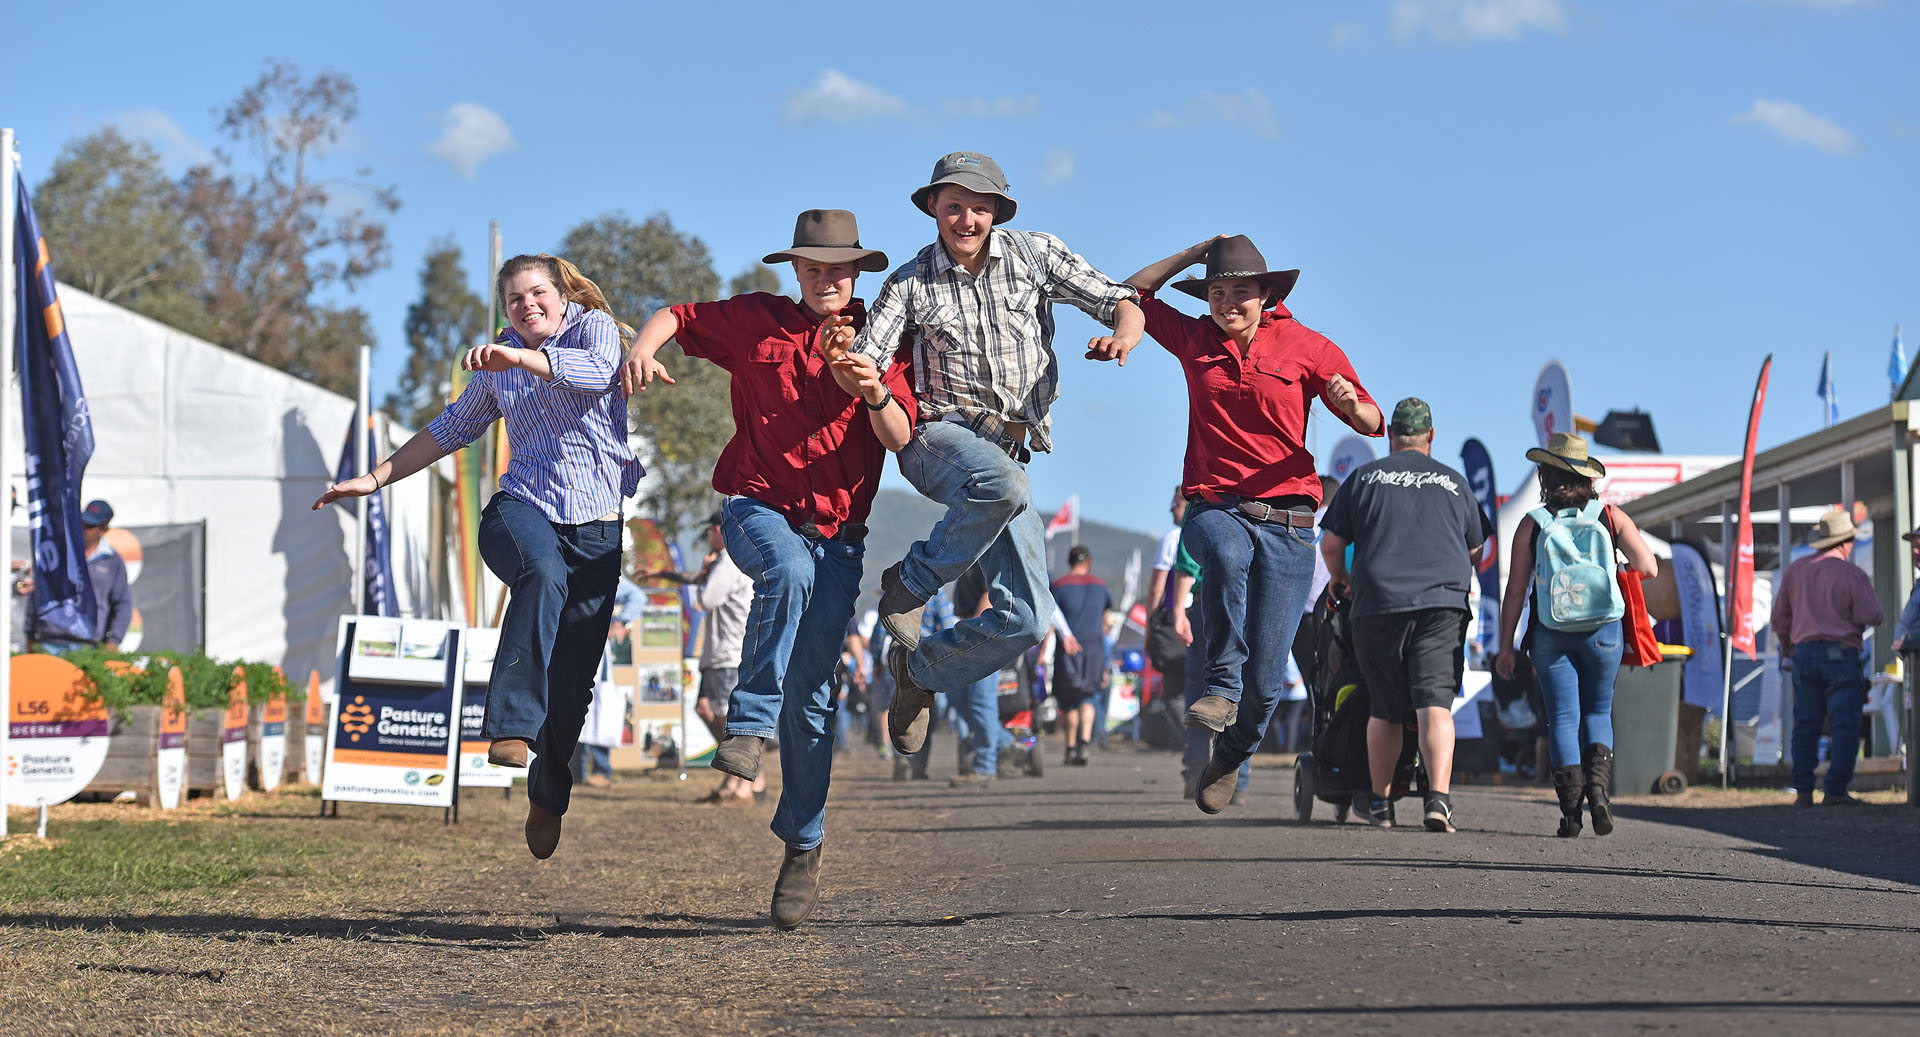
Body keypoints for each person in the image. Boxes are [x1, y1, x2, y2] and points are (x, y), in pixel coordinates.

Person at [617, 209, 913, 931]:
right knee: (785, 567)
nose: (824, 279)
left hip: (840, 539)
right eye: (812, 267)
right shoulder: (756, 322)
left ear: (858, 272)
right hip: (756, 508)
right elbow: (676, 316)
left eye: (837, 268)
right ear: (795, 271)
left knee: (813, 705)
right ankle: (746, 726)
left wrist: (871, 387)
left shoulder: (886, 335)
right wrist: (641, 353)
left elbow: (901, 434)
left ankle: (803, 843)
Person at [316, 253, 642, 861]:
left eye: (537, 293)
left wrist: (516, 357)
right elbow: (452, 427)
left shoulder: (592, 327)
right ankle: (512, 726)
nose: (527, 306)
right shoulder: (499, 358)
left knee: (571, 689)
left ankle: (548, 796)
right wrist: (374, 478)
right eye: (515, 300)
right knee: (540, 572)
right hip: (524, 507)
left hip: (597, 529)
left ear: (562, 295)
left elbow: (595, 373)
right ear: (505, 310)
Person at [854, 152, 1145, 758]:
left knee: (1030, 622)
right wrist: (854, 369)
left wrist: (1122, 332)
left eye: (979, 207)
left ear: (997, 212)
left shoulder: (1034, 255)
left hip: (1010, 453)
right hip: (938, 438)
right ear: (933, 207)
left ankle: (922, 673)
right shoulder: (909, 282)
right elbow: (867, 356)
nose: (966, 218)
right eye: (954, 205)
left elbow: (1118, 298)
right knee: (1004, 483)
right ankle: (907, 585)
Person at [1126, 234, 1382, 814]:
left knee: (1267, 689)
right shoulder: (1195, 338)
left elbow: (1372, 420)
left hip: (1290, 524)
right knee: (1224, 553)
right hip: (1216, 506)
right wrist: (1193, 255)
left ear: (1266, 294)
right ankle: (1219, 684)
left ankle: (1231, 754)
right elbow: (1131, 294)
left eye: (1240, 291)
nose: (1227, 302)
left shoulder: (1308, 346)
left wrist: (1346, 402)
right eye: (1217, 291)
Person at [1320, 398, 1492, 833]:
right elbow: (1478, 549)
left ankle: (1381, 805)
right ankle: (1438, 800)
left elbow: (1331, 546)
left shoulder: (1363, 479)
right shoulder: (1455, 483)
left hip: (1378, 603)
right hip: (1441, 604)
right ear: (1431, 436)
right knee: (1434, 705)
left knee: (1385, 709)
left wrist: (1341, 579)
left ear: (1391, 435)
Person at [1495, 433, 1658, 836]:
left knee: (1563, 719)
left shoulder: (1533, 524)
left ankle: (1571, 814)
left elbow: (1516, 591)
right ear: (1587, 476)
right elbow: (1648, 567)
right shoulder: (1611, 516)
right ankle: (1600, 795)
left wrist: (1505, 646)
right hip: (1604, 628)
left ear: (1545, 476)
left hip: (1552, 632)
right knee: (1598, 712)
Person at [1770, 508, 1883, 808]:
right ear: (1846, 542)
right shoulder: (1852, 573)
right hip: (1840, 653)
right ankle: (1835, 790)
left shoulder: (1797, 571)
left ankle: (1803, 790)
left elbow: (1780, 620)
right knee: (1845, 724)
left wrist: (1789, 648)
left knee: (1805, 723)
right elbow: (1873, 615)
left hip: (1804, 653)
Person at [22, 498, 134, 654]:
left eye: (89, 526)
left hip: (88, 646)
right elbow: (38, 592)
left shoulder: (112, 562)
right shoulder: (58, 553)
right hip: (49, 642)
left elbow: (122, 603)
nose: (82, 528)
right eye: (80, 522)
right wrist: (30, 634)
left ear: (103, 529)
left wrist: (113, 641)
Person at [948, 562, 1017, 787]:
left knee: (981, 702)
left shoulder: (985, 556)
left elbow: (990, 594)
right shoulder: (971, 556)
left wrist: (974, 631)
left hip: (981, 632)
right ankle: (1007, 744)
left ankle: (985, 767)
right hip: (969, 626)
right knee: (959, 699)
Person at [1049, 546, 1111, 765]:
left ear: (1069, 561)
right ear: (1089, 561)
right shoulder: (1101, 587)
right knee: (1088, 696)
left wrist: (1042, 654)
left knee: (1068, 702)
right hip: (1094, 646)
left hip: (1068, 647)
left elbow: (1050, 619)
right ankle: (1085, 743)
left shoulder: (1059, 586)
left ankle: (1071, 746)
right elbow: (1106, 624)